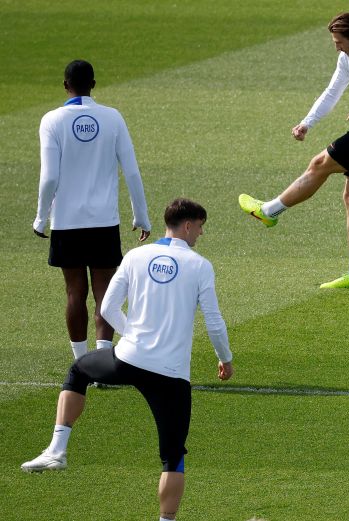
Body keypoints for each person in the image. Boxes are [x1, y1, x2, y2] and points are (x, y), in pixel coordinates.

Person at [21, 198, 233, 521]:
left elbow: (106, 307)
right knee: (173, 457)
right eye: (201, 227)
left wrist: (131, 333)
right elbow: (215, 322)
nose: (201, 234)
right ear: (187, 226)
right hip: (171, 375)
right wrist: (225, 359)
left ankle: (58, 449)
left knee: (79, 370)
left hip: (127, 359)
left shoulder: (135, 256)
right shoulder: (200, 266)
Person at [239, 11, 349, 289]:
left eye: (339, 42)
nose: (337, 47)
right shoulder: (348, 56)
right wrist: (307, 122)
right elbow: (332, 91)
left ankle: (269, 211)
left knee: (319, 164)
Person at [33, 59, 151, 360]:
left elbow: (49, 177)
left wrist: (41, 217)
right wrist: (140, 215)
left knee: (75, 293)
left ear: (64, 85)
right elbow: (132, 171)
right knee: (105, 294)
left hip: (66, 222)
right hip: (103, 222)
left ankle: (80, 362)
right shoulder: (112, 117)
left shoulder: (52, 120)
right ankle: (102, 361)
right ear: (94, 84)